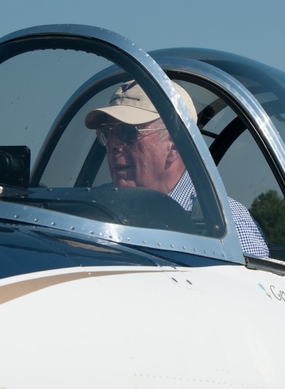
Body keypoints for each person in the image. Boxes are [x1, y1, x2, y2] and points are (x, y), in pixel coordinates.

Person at [84, 80, 268, 257]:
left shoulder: (230, 226)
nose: (113, 144)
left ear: (175, 144)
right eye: (108, 133)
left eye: (129, 132)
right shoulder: (92, 208)